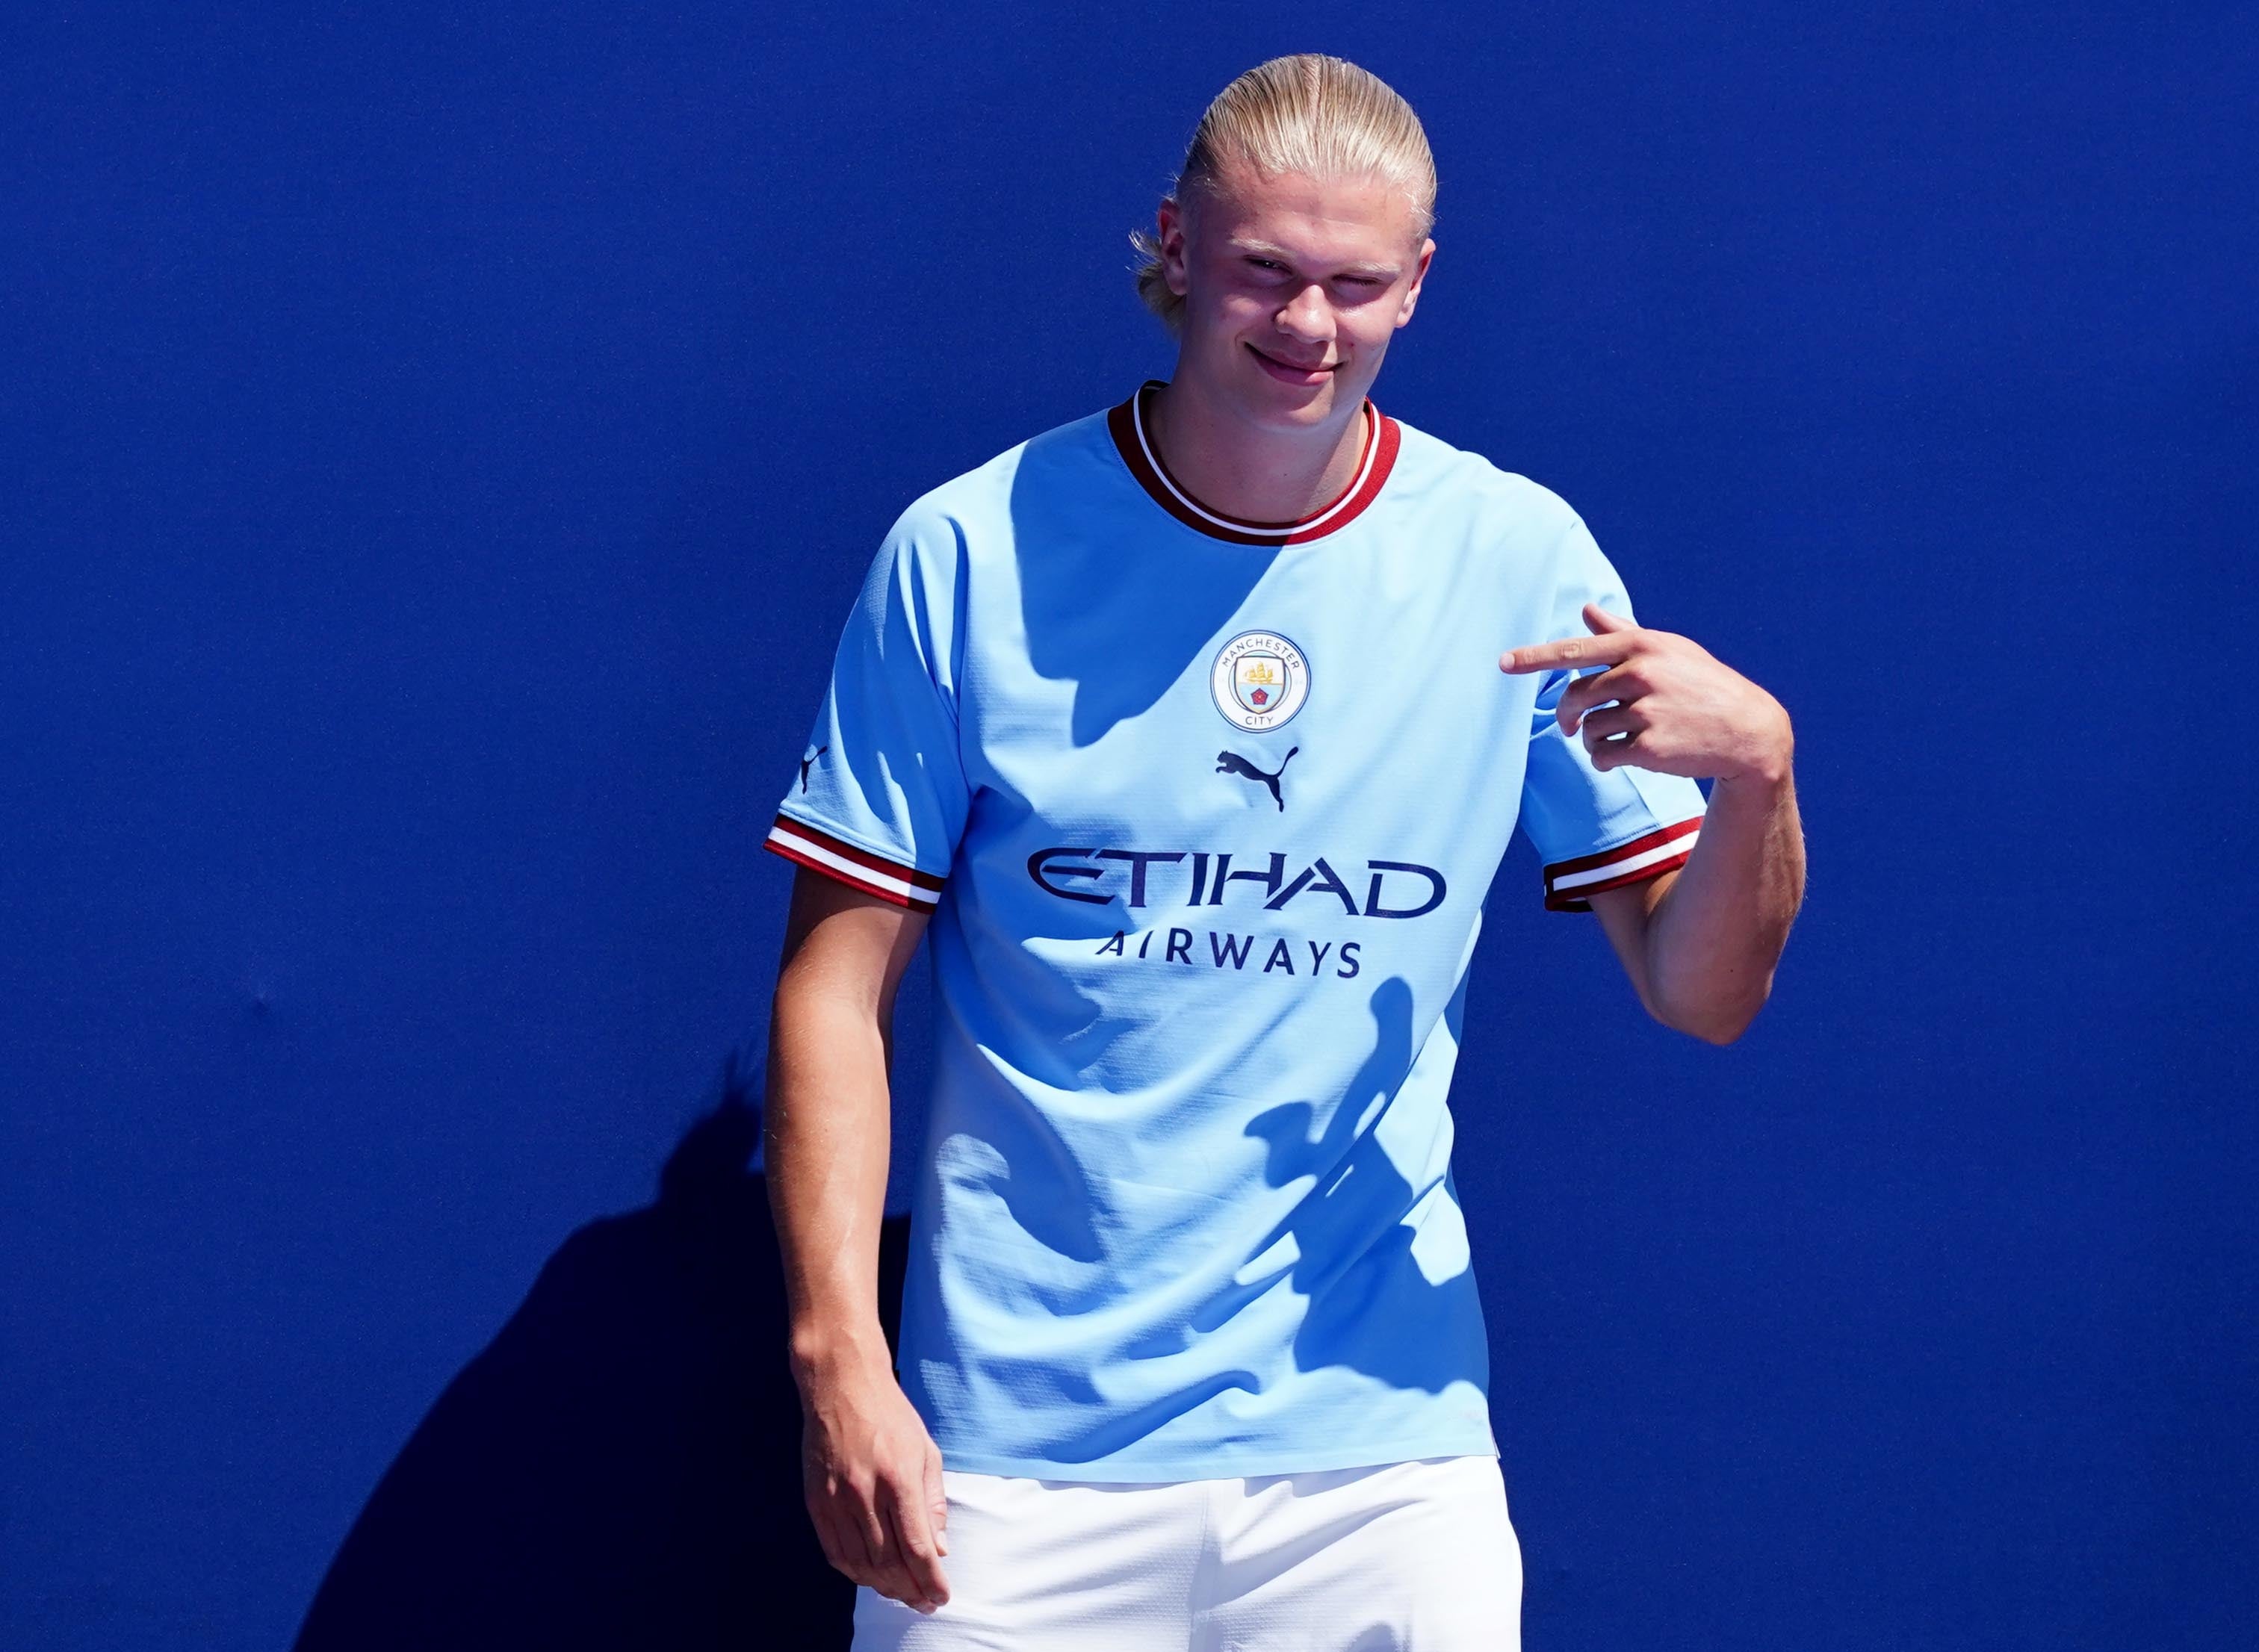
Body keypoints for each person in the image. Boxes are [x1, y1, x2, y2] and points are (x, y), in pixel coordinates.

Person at [761, 53, 1805, 1652]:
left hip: (1380, 1468)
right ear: (1175, 246)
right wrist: (843, 1357)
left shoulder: (1513, 556)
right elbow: (836, 990)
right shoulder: (968, 551)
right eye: (1263, 270)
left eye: (1353, 282)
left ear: (1419, 287)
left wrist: (1759, 776)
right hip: (1016, 1470)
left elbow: (1703, 988)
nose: (1306, 324)